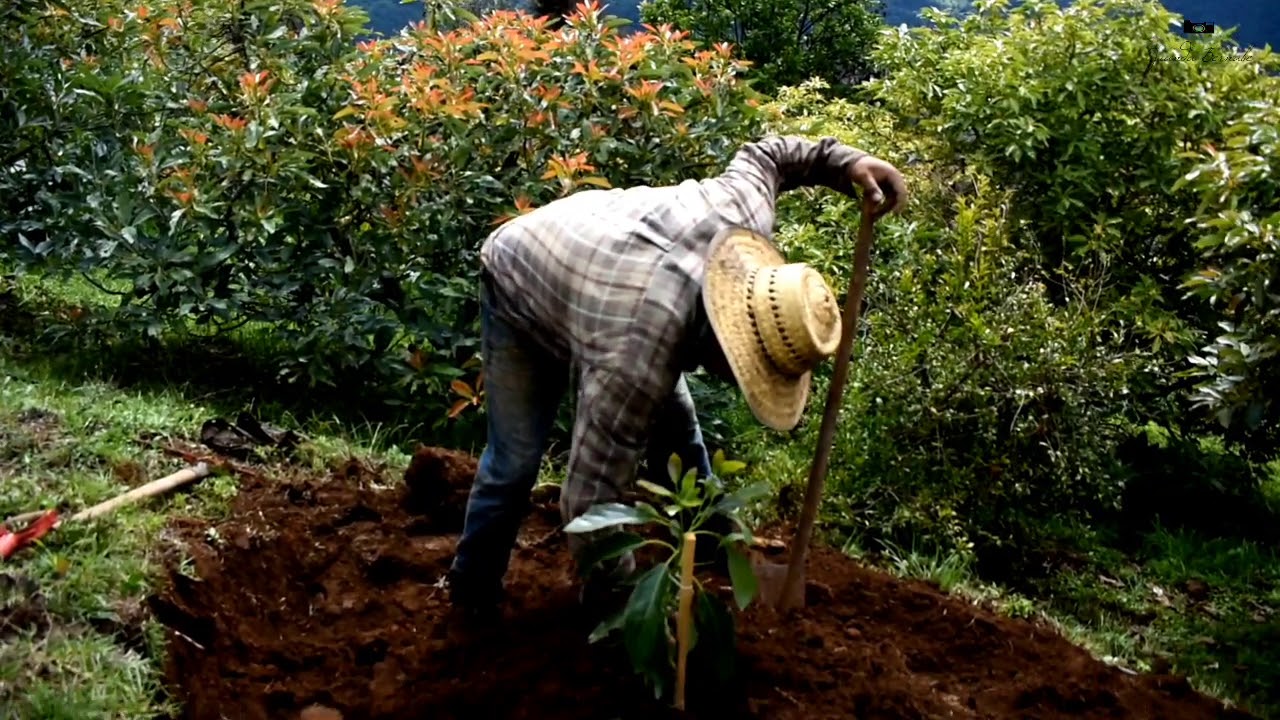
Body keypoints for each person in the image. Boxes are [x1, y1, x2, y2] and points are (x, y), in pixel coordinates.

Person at [446, 134, 908, 619]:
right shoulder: (637, 355)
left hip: (606, 265)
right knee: (514, 462)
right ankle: (471, 592)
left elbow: (771, 153)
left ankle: (716, 550)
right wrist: (632, 616)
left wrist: (849, 163)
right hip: (522, 275)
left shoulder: (744, 213)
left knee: (681, 434)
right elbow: (588, 506)